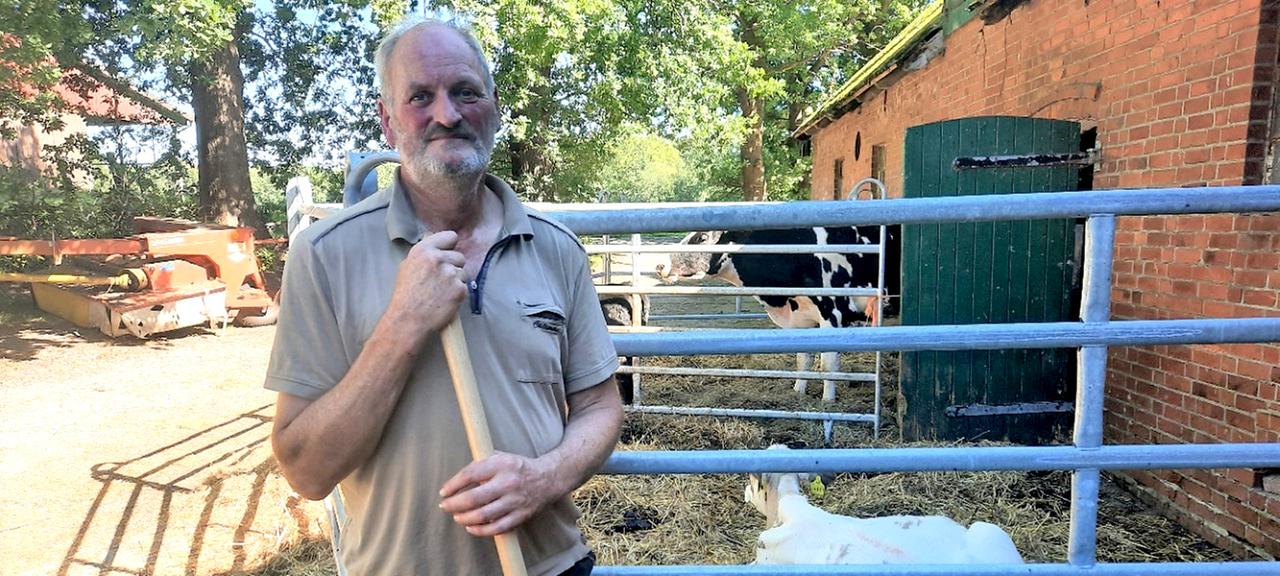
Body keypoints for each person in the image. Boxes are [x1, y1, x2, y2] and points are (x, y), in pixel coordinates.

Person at [264, 17, 623, 576]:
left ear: (494, 108)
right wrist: (402, 325)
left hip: (551, 567)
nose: (447, 114)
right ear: (388, 121)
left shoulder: (557, 250)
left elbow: (601, 407)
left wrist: (545, 478)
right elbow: (306, 473)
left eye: (465, 92)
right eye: (419, 97)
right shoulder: (324, 255)